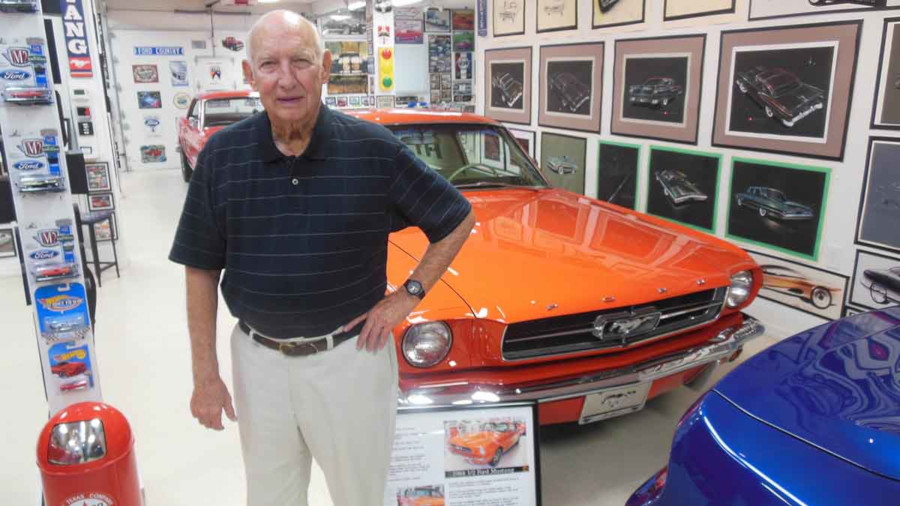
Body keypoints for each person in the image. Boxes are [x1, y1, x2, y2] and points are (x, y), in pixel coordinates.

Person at [169, 10, 475, 506]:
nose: (286, 79)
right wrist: (205, 375)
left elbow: (457, 218)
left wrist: (407, 296)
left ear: (327, 66)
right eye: (269, 64)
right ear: (250, 75)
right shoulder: (223, 157)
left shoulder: (373, 150)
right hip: (258, 362)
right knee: (270, 496)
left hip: (350, 361)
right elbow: (200, 268)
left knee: (359, 494)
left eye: (302, 61)